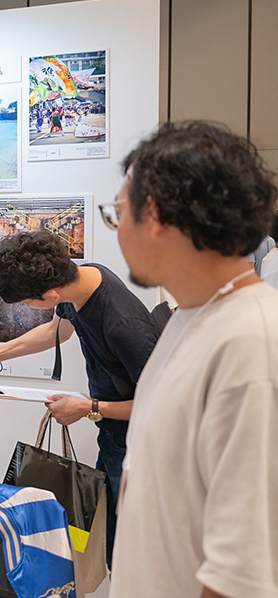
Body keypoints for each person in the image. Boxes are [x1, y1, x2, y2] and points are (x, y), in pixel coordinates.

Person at [106, 121, 278, 598]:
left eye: (115, 213)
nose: (116, 229)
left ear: (155, 214)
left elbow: (239, 578)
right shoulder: (190, 320)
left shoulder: (251, 344)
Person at [0, 229, 159, 567]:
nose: (28, 307)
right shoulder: (84, 278)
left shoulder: (123, 325)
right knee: (107, 535)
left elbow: (160, 405)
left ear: (51, 294)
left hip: (141, 446)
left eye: (28, 302)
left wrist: (89, 408)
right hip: (115, 436)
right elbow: (58, 329)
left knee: (130, 550)